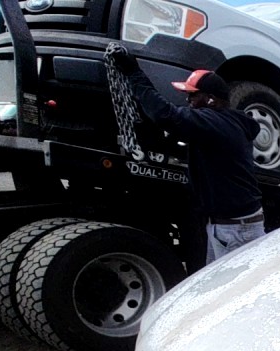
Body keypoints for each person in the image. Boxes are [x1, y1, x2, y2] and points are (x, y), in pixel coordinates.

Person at [104, 45, 264, 266]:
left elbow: (164, 114)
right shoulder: (228, 123)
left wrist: (134, 72)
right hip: (232, 226)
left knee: (236, 290)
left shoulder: (213, 122)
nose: (188, 100)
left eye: (192, 95)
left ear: (210, 100)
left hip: (235, 230)